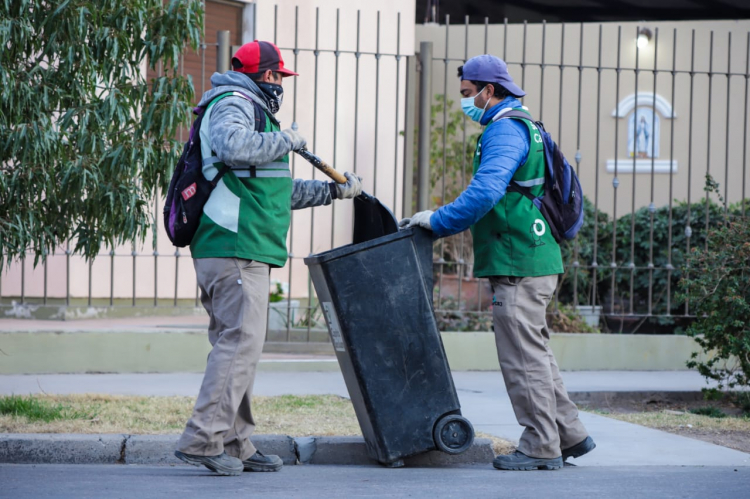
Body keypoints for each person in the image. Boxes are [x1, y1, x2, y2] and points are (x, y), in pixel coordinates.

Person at [174, 40, 363, 476]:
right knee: (239, 345)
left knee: (240, 348)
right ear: (265, 75)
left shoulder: (255, 110)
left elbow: (276, 191)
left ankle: (236, 442)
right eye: (277, 77)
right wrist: (287, 139)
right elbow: (234, 146)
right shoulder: (233, 102)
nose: (280, 85)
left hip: (244, 246)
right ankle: (203, 439)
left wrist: (333, 191)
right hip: (233, 248)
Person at [400, 54, 595, 471]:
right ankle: (570, 434)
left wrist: (436, 220)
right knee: (536, 353)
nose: (465, 103)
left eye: (468, 94)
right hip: (531, 256)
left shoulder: (505, 130)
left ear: (490, 91)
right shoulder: (523, 124)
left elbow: (485, 193)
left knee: (522, 357)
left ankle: (541, 444)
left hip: (518, 260)